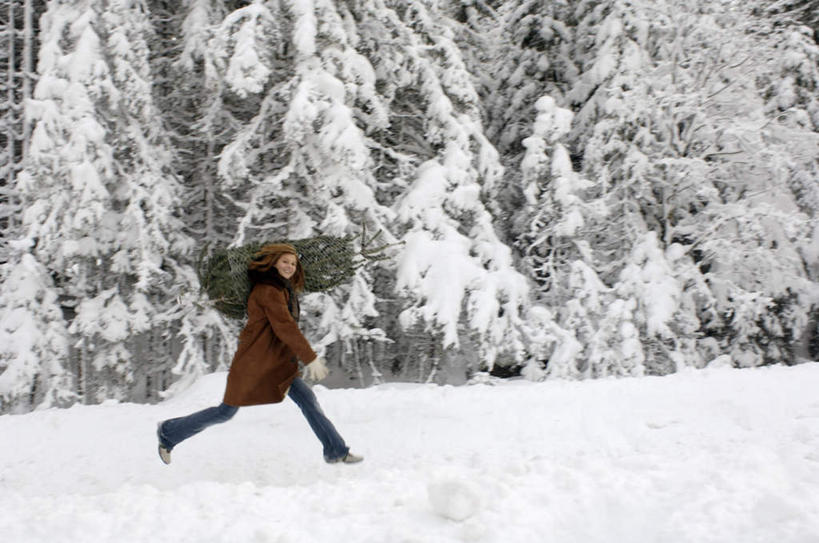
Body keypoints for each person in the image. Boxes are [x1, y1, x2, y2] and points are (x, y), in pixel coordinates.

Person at [156, 243, 363, 465]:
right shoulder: (267, 290)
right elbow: (284, 326)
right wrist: (309, 357)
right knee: (225, 412)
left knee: (307, 400)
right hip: (254, 362)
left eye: (293, 263)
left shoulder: (282, 288)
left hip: (276, 363)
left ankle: (335, 450)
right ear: (273, 263)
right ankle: (169, 432)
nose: (290, 266)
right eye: (285, 261)